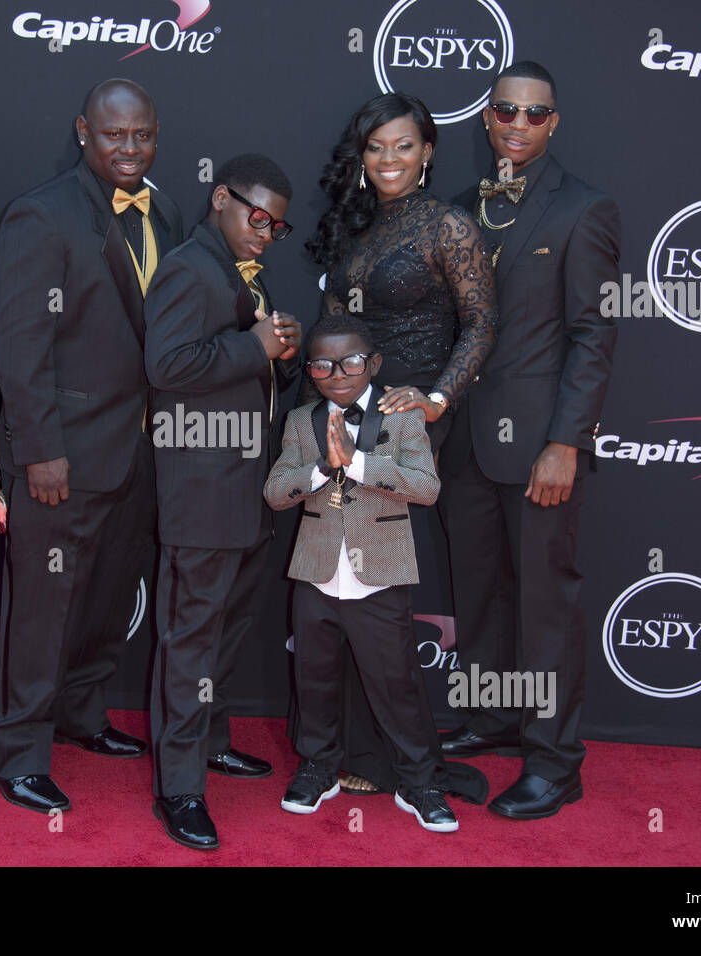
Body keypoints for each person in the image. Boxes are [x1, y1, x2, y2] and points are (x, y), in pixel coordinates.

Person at [0, 78, 183, 814]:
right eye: (113, 135)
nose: (129, 149)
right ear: (82, 132)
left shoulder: (166, 208)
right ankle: (17, 752)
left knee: (104, 599)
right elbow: (20, 343)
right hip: (61, 453)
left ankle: (79, 713)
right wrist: (37, 448)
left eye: (143, 135)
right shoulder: (41, 215)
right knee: (42, 609)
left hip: (140, 451)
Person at [440, 61, 621, 819]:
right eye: (506, 110)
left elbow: (593, 336)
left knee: (545, 605)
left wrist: (566, 442)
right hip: (466, 445)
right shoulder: (456, 209)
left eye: (535, 113)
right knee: (481, 599)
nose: (518, 123)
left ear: (554, 123)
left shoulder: (584, 211)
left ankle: (555, 762)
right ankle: (494, 718)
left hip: (541, 446)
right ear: (486, 118)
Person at [305, 92, 497, 798]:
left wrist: (437, 402)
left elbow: (480, 324)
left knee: (384, 601)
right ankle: (357, 752)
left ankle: (403, 758)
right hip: (343, 422)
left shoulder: (450, 228)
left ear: (428, 152)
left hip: (408, 431)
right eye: (376, 147)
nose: (388, 159)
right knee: (344, 588)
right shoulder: (355, 228)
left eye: (403, 146)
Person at [143, 153, 303, 850]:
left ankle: (208, 741)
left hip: (248, 493)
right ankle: (179, 786)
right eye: (256, 216)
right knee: (190, 642)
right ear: (220, 198)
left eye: (278, 226)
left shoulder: (248, 276)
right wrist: (253, 346)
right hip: (203, 495)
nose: (265, 233)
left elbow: (247, 377)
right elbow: (168, 367)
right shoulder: (187, 267)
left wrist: (281, 358)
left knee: (226, 635)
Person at [264, 316, 460, 832]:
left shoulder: (402, 414)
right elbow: (276, 491)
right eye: (323, 364)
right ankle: (318, 768)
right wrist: (323, 470)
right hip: (315, 573)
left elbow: (427, 487)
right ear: (311, 370)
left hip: (381, 573)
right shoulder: (302, 420)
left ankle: (419, 782)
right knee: (315, 681)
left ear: (372, 363)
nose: (338, 373)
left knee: (396, 684)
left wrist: (357, 464)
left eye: (351, 361)